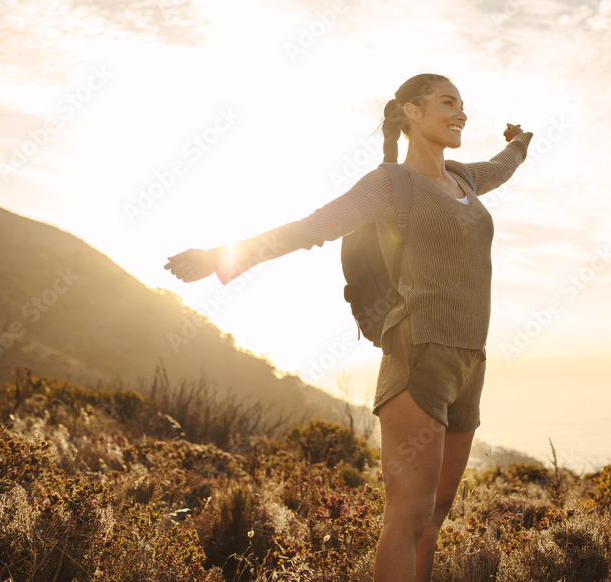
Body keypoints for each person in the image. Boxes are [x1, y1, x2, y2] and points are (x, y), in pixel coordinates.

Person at [164, 73, 533, 581]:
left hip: (472, 358)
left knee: (437, 514)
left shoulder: (465, 179)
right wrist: (222, 257)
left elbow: (500, 167)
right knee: (408, 517)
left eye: (463, 104)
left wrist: (519, 145)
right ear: (411, 112)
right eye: (448, 102)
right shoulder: (389, 185)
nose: (461, 112)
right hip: (418, 356)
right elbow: (311, 228)